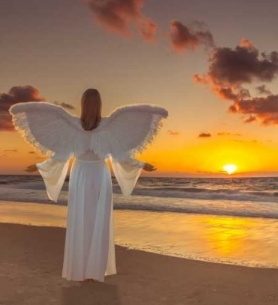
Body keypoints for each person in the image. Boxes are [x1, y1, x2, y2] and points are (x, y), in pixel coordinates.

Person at [9, 88, 167, 282]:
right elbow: (64, 155)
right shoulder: (78, 124)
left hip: (91, 175)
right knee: (90, 220)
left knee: (89, 220)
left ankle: (89, 270)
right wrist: (38, 166)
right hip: (90, 174)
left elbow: (119, 155)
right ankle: (89, 271)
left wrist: (142, 164)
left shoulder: (108, 124)